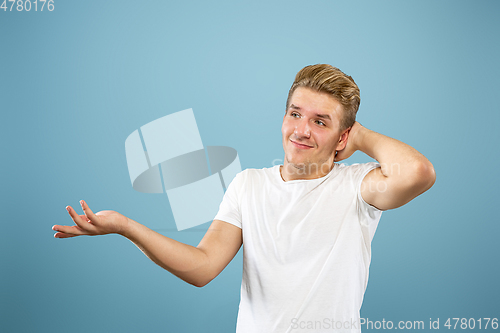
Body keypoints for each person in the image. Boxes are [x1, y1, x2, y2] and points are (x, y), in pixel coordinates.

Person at [53, 64, 436, 332]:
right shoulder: (248, 185)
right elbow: (202, 267)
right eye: (295, 114)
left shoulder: (359, 186)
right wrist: (124, 226)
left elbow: (419, 172)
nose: (300, 130)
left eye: (320, 121)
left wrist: (362, 136)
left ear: (342, 137)